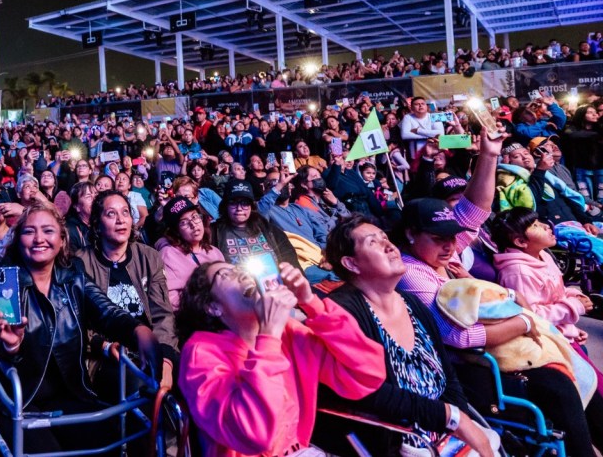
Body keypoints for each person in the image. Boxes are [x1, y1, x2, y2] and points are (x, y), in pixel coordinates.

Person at [396, 137, 603, 455]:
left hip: (507, 348)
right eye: (439, 238)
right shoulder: (411, 271)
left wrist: (490, 155)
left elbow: (476, 209)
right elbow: (460, 337)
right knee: (561, 387)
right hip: (472, 369)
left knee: (580, 377)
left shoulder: (441, 253)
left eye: (453, 236)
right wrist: (524, 321)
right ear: (411, 235)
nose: (451, 245)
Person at [0, 202, 161, 453]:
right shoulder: (4, 278)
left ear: (62, 239)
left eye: (48, 231)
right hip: (18, 400)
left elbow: (106, 311)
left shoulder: (73, 274)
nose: (39, 239)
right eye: (29, 231)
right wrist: (10, 345)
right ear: (17, 239)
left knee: (108, 445)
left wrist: (138, 331)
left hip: (71, 392)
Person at [321, 215, 497, 456]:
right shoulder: (340, 311)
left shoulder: (411, 303)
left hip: (444, 431)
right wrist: (450, 417)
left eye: (385, 237)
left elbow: (447, 376)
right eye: (373, 242)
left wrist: (459, 418)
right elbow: (367, 392)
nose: (389, 245)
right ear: (351, 264)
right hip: (396, 439)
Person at [175, 260, 386, 457]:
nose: (241, 274)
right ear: (213, 307)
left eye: (240, 269)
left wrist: (311, 302)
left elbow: (367, 374)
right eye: (225, 275)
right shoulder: (200, 354)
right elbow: (255, 435)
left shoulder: (288, 331)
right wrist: (268, 336)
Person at [77, 190, 179, 395]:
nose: (121, 220)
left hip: (153, 344)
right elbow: (78, 323)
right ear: (97, 223)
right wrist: (103, 346)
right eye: (111, 214)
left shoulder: (148, 256)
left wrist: (165, 359)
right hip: (108, 355)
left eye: (125, 212)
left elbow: (162, 314)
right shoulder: (81, 262)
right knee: (137, 386)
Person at [491, 208, 593, 345]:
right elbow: (531, 315)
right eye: (535, 225)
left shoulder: (543, 256)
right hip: (545, 341)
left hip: (560, 333)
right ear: (521, 242)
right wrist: (573, 307)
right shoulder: (518, 272)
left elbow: (557, 292)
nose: (546, 226)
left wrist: (576, 297)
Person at [212, 180, 301, 270]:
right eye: (233, 203)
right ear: (225, 206)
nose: (239, 208)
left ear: (252, 206)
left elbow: (291, 262)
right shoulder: (213, 232)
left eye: (245, 203)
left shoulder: (269, 229)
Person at [157, 195, 225, 307]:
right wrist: (203, 305)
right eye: (183, 222)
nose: (193, 225)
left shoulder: (214, 252)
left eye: (195, 217)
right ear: (176, 231)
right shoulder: (168, 255)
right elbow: (170, 299)